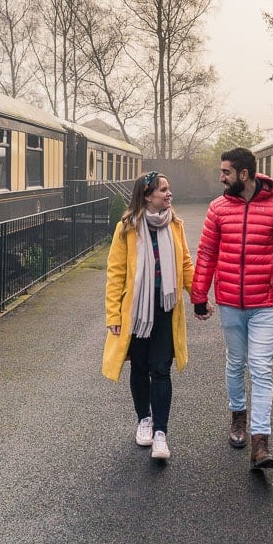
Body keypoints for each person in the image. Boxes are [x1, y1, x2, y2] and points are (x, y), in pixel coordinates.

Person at [192, 147, 273, 470]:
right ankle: (237, 418)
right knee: (236, 362)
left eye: (226, 172)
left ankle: (260, 442)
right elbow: (207, 254)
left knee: (262, 367)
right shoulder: (217, 209)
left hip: (265, 303)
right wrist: (200, 295)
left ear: (244, 174)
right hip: (229, 301)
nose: (221, 178)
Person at [102, 171, 194, 461]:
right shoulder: (126, 228)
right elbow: (116, 273)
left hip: (166, 308)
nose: (169, 194)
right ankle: (144, 420)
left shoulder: (175, 224)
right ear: (147, 196)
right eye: (163, 190)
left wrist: (199, 296)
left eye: (168, 189)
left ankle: (160, 434)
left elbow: (186, 264)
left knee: (160, 369)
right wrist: (113, 315)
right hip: (137, 312)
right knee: (140, 368)